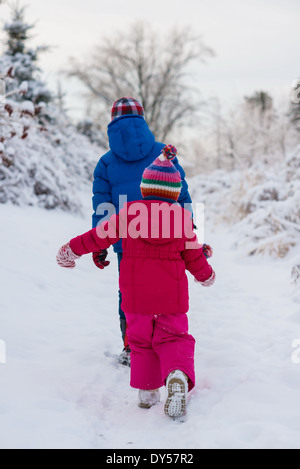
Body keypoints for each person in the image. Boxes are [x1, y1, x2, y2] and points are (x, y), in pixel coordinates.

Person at [57, 145, 215, 419]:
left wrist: (70, 250)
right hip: (172, 299)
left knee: (141, 343)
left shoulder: (128, 213)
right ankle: (176, 374)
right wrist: (206, 275)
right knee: (174, 338)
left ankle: (147, 392)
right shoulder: (183, 220)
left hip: (135, 298)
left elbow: (97, 236)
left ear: (144, 188)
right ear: (175, 192)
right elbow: (193, 257)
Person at [91, 97, 193, 366]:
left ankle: (132, 346)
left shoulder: (106, 163)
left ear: (112, 123)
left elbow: (103, 205)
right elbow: (182, 196)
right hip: (170, 238)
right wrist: (192, 234)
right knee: (167, 289)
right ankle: (167, 342)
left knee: (130, 292)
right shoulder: (164, 154)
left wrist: (100, 244)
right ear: (142, 121)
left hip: (127, 242)